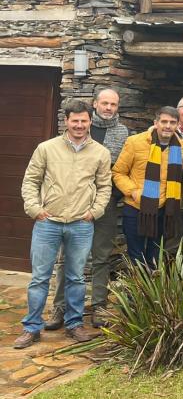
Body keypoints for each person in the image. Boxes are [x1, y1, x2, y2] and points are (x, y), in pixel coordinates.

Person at [15, 99, 111, 349]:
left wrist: (95, 211)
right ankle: (31, 327)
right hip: (48, 223)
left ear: (90, 121)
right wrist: (35, 209)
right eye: (74, 120)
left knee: (76, 278)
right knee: (39, 278)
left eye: (84, 120)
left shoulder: (100, 153)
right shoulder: (46, 148)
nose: (79, 125)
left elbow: (104, 187)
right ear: (66, 121)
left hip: (81, 223)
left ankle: (74, 325)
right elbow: (30, 182)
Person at [48, 87, 129, 331]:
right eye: (104, 103)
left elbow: (118, 169)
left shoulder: (122, 132)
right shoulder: (82, 128)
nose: (108, 108)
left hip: (106, 204)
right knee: (67, 258)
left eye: (113, 104)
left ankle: (99, 306)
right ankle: (60, 307)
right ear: (95, 105)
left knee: (102, 257)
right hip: (74, 205)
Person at [112, 106, 183, 268]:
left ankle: (150, 292)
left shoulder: (182, 147)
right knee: (136, 257)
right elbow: (118, 172)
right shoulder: (135, 142)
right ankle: (135, 292)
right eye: (164, 121)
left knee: (155, 257)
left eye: (172, 122)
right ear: (156, 122)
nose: (168, 126)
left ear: (177, 125)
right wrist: (133, 191)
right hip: (136, 208)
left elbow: (179, 178)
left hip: (164, 211)